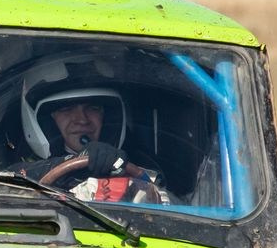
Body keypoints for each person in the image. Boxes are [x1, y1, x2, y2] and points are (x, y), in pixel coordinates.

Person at [15, 84, 168, 204]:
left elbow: (173, 205)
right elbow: (2, 181)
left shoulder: (137, 162)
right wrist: (71, 164)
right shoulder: (21, 159)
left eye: (93, 108)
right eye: (66, 109)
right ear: (48, 121)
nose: (82, 119)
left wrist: (120, 169)